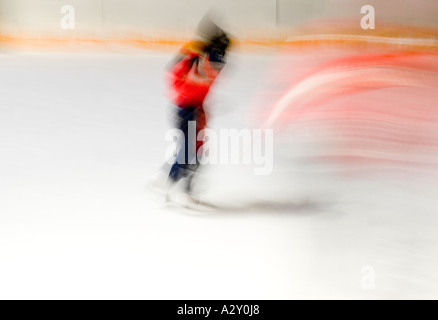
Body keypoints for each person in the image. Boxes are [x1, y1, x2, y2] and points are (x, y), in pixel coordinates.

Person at [163, 22, 230, 201]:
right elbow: (176, 78)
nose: (216, 68)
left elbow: (202, 81)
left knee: (198, 151)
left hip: (197, 109)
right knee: (188, 150)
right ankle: (169, 183)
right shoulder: (192, 61)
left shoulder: (208, 62)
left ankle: (184, 187)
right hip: (186, 108)